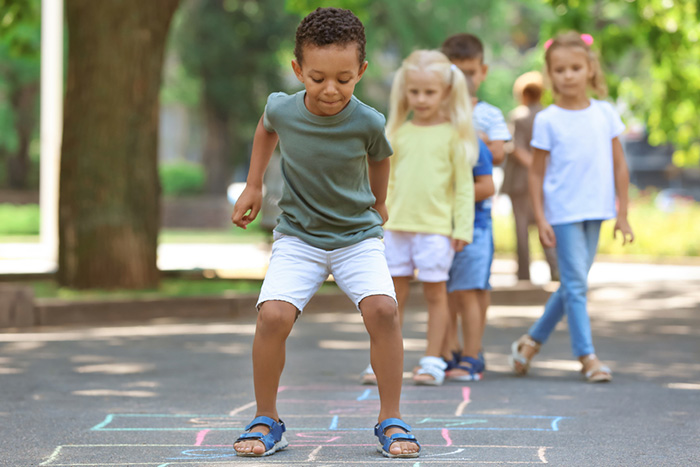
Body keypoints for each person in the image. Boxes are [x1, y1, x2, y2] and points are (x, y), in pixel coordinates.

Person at [231, 7, 420, 458]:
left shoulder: (368, 121)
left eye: (344, 78)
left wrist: (380, 201)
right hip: (299, 236)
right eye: (316, 78)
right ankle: (266, 418)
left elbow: (380, 158)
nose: (330, 90)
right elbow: (266, 128)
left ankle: (390, 417)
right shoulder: (282, 107)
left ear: (361, 72)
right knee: (272, 316)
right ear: (298, 70)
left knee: (384, 311)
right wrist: (254, 183)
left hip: (357, 236)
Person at [508, 31, 634, 383]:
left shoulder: (605, 113)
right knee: (576, 286)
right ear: (550, 75)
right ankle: (587, 357)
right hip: (562, 213)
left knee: (572, 286)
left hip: (596, 210)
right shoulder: (548, 119)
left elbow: (620, 166)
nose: (568, 75)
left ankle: (531, 341)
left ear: (590, 70)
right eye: (560, 69)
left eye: (576, 68)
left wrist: (622, 213)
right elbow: (536, 173)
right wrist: (541, 215)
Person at [367, 50, 477, 387]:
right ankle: (383, 361)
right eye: (415, 92)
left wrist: (462, 227)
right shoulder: (396, 133)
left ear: (445, 92)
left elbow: (463, 188)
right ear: (405, 91)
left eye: (430, 92)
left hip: (436, 230)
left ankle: (432, 360)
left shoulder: (454, 135)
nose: (422, 99)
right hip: (396, 226)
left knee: (435, 295)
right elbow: (385, 181)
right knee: (391, 299)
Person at [438, 33, 511, 381]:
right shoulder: (437, 112)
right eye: (454, 72)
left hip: (476, 215)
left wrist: (472, 136)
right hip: (441, 215)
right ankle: (450, 350)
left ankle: (473, 353)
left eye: (469, 72)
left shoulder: (487, 114)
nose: (462, 80)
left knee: (473, 287)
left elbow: (498, 152)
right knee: (447, 287)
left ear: (481, 71)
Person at [503, 72, 559, 282]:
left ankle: (524, 273)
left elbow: (516, 148)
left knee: (521, 229)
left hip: (520, 182)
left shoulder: (518, 116)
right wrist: (542, 170)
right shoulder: (548, 115)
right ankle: (555, 268)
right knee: (545, 224)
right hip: (546, 179)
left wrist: (533, 167)